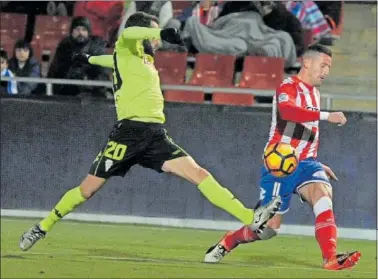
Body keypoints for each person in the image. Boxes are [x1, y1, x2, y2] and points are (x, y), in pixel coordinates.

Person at [19, 12, 282, 252]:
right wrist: (159, 33)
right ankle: (41, 227)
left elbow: (109, 60)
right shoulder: (127, 46)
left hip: (155, 135)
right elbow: (130, 33)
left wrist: (88, 58)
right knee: (86, 191)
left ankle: (251, 217)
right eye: (151, 34)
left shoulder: (138, 59)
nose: (155, 41)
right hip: (127, 134)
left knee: (199, 174)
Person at [203, 44, 361, 271]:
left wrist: (315, 161)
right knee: (268, 229)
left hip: (306, 163)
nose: (326, 71)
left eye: (329, 67)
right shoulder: (288, 86)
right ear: (307, 62)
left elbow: (308, 131)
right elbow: (288, 113)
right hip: (279, 166)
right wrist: (327, 115)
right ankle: (230, 241)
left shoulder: (315, 93)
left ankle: (330, 258)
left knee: (323, 195)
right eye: (323, 65)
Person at [47, 16, 109, 97]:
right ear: (72, 32)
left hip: (92, 96)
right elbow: (53, 71)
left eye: (84, 30)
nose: (80, 33)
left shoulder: (97, 48)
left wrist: (85, 81)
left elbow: (104, 76)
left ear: (88, 32)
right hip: (65, 94)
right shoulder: (64, 47)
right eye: (77, 29)